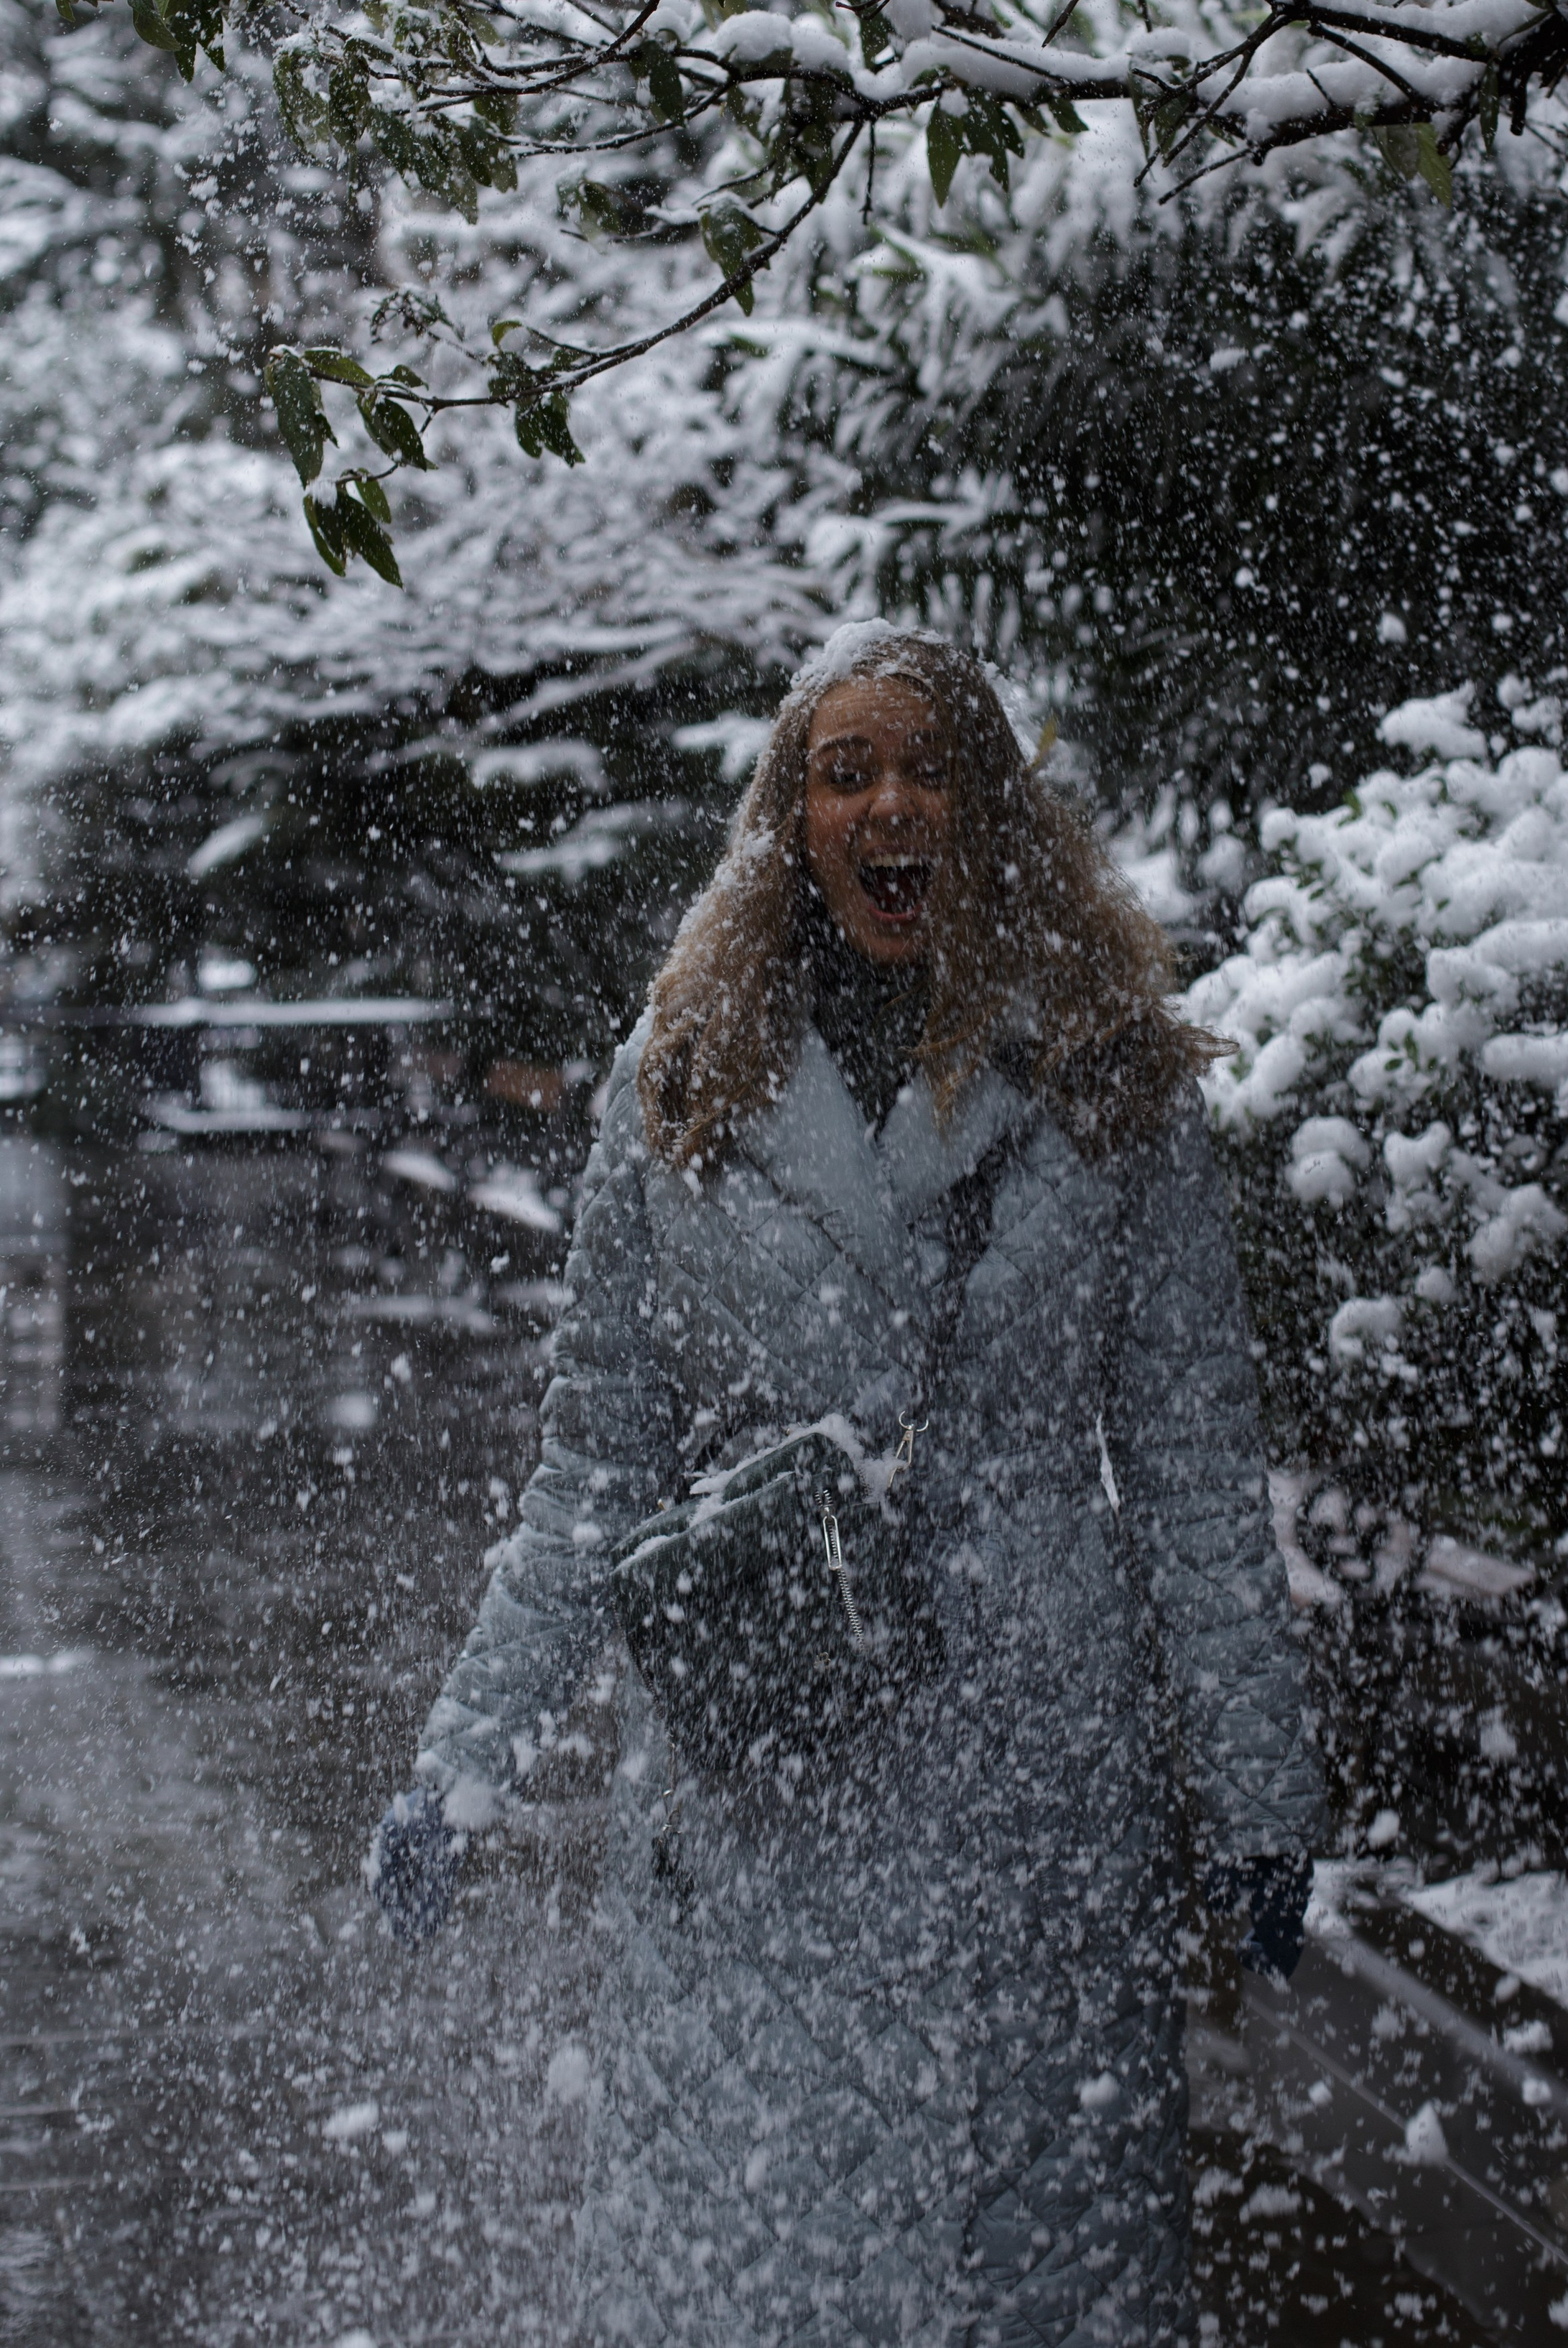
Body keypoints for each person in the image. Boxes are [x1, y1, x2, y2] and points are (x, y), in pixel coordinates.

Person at [368, 621, 1322, 2344]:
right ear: (788, 822)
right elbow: (595, 1470)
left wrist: (1259, 1786)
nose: (890, 805)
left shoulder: (1109, 1072)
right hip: (763, 1755)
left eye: (929, 765)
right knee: (755, 2248)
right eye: (844, 772)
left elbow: (1189, 1463)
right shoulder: (679, 1080)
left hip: (1030, 1768)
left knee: (1018, 2250)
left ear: (992, 807)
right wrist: (464, 1760)